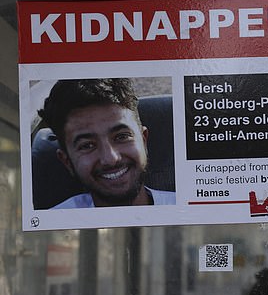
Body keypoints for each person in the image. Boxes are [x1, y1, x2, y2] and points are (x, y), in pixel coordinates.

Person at [37, 78, 175, 208]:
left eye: (121, 137)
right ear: (67, 162)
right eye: (87, 145)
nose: (111, 159)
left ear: (143, 140)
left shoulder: (187, 208)